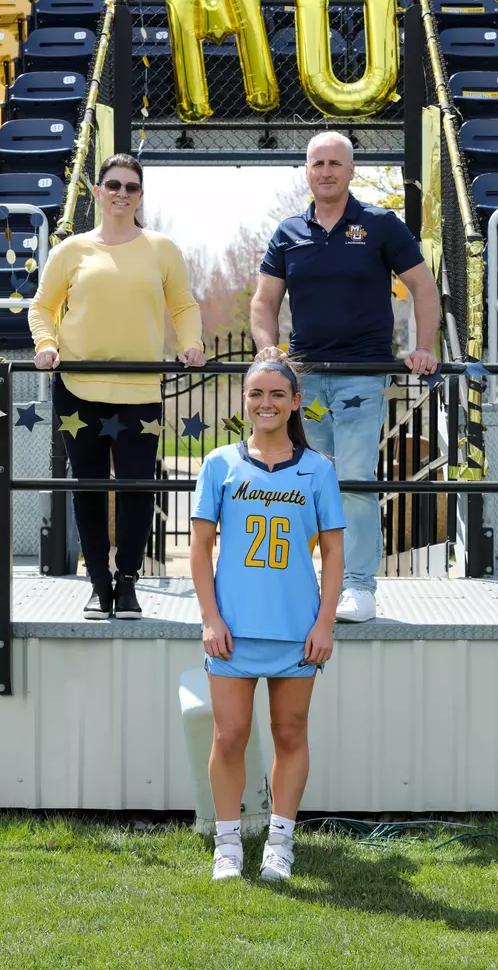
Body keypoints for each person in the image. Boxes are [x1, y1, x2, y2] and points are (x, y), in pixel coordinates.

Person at [250, 131, 440, 624]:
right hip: (306, 383)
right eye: (318, 163)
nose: (327, 171)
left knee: (354, 480)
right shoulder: (288, 231)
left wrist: (423, 347)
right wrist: (268, 350)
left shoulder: (380, 224)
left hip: (362, 375)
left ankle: (358, 588)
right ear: (307, 171)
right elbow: (263, 302)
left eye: (336, 163)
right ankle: (307, 583)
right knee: (310, 481)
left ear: (352, 171)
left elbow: (423, 286)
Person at [29, 153, 205, 620]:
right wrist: (46, 344)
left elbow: (184, 306)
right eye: (113, 185)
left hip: (139, 391)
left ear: (140, 195)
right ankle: (97, 585)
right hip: (78, 389)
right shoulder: (72, 250)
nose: (121, 193)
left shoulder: (162, 248)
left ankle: (126, 582)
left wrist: (191, 344)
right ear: (97, 192)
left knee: (136, 489)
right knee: (86, 489)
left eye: (131, 187)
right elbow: (42, 308)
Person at [190, 360, 344, 882]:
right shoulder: (219, 464)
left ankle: (280, 842)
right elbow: (199, 551)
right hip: (232, 629)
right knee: (229, 736)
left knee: (290, 733)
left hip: (296, 631)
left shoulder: (318, 470)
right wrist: (210, 619)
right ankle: (227, 845)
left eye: (278, 393)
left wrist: (324, 623)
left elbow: (334, 554)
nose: (266, 403)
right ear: (244, 399)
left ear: (295, 400)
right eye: (256, 393)